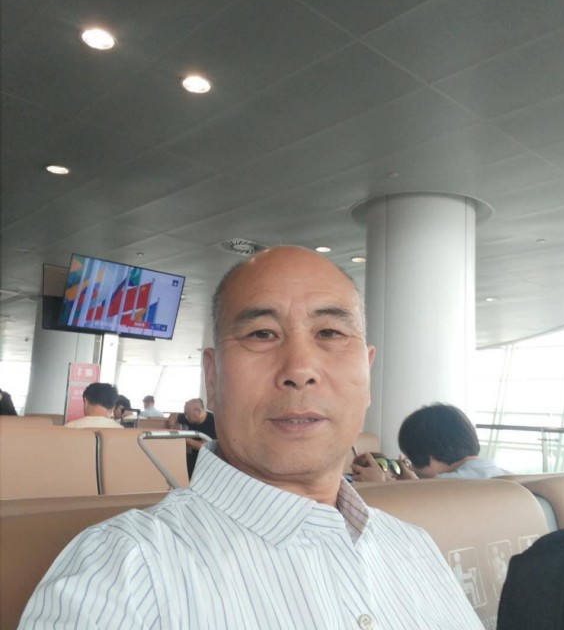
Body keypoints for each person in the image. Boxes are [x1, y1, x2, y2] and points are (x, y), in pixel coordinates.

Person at [20, 246, 482, 629]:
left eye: (329, 332)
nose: (299, 369)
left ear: (367, 370)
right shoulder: (121, 572)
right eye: (262, 334)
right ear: (212, 376)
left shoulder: (414, 547)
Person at [352, 403, 509, 482]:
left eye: (412, 459)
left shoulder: (444, 486)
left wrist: (379, 487)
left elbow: (414, 510)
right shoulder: (504, 476)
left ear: (428, 455)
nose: (414, 468)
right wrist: (413, 484)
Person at [167, 398, 216, 477]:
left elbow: (203, 446)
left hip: (206, 462)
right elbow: (173, 415)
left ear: (198, 412)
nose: (185, 417)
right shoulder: (189, 418)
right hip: (191, 459)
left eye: (187, 414)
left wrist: (181, 437)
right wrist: (171, 427)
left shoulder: (212, 422)